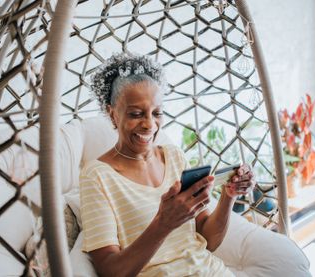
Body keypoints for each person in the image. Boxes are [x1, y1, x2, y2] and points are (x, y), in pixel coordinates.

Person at [79, 52, 255, 277]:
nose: (149, 125)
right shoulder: (96, 176)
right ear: (112, 114)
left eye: (157, 113)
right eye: (136, 114)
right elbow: (111, 271)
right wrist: (164, 223)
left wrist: (228, 196)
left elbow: (209, 241)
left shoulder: (174, 157)